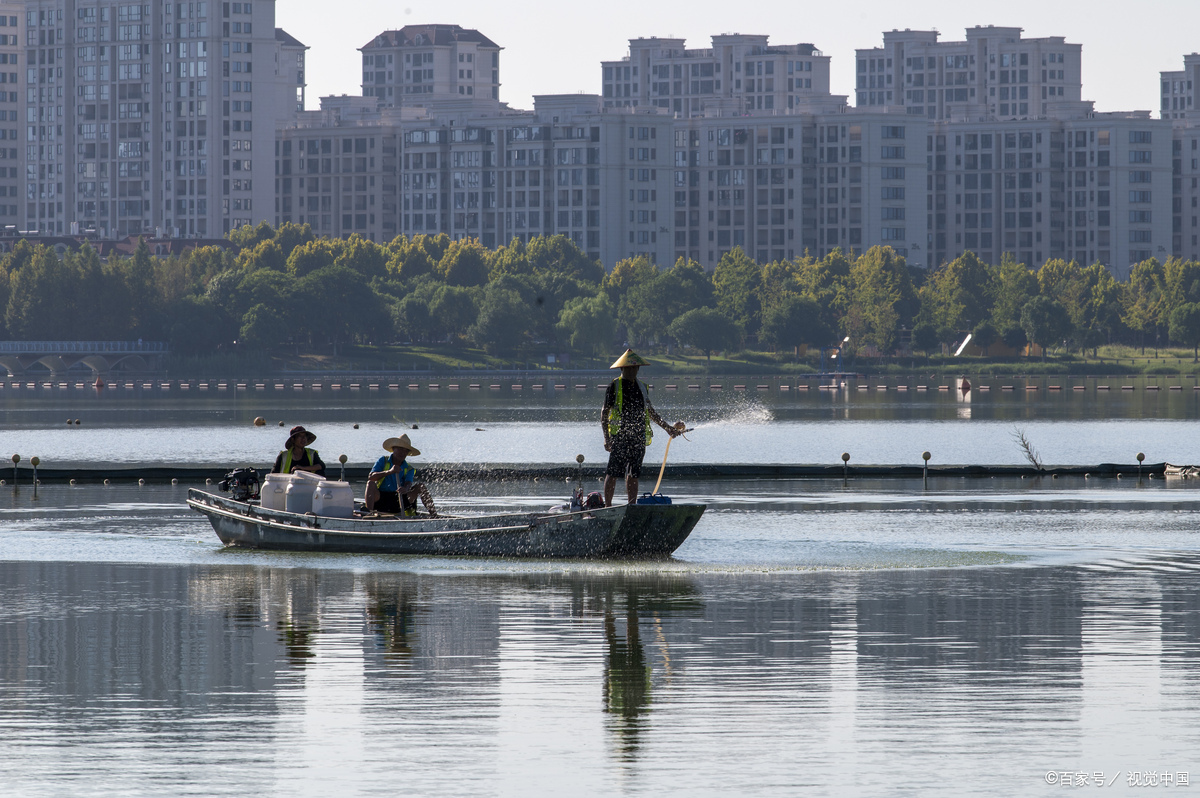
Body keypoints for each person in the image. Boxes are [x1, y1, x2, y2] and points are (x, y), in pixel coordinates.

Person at [601, 349, 683, 507]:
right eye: (629, 368)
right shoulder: (614, 386)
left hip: (638, 437)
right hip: (619, 437)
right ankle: (608, 507)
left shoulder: (642, 387)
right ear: (622, 369)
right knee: (613, 473)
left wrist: (667, 428)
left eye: (635, 367)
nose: (633, 370)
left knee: (634, 473)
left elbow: (651, 412)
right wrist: (607, 438)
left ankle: (631, 506)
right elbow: (604, 412)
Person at [365, 433, 438, 517]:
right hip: (381, 498)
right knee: (370, 483)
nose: (402, 452)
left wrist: (405, 489)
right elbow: (371, 477)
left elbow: (408, 483)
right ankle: (369, 514)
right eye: (400, 449)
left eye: (406, 450)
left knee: (420, 487)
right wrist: (389, 471)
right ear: (393, 448)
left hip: (400, 500)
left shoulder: (409, 468)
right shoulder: (383, 460)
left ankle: (434, 515)